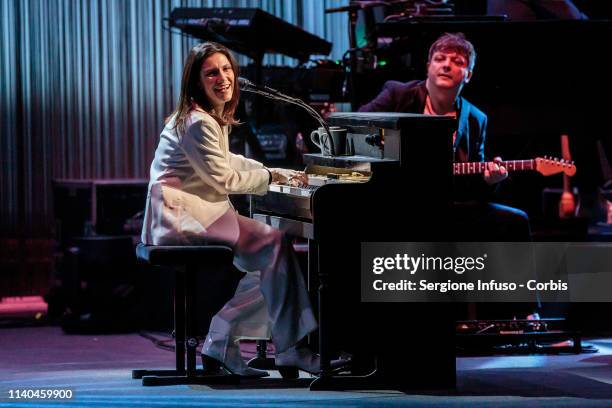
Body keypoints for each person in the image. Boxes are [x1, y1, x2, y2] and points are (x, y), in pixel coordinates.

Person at [141, 42, 319, 377]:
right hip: (181, 217)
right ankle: (287, 348)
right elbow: (224, 178)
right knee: (274, 246)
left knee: (273, 252)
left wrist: (274, 172)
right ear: (197, 82)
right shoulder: (197, 122)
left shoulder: (206, 117)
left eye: (226, 70)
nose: (223, 78)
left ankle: (225, 339)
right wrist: (269, 176)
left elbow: (227, 160)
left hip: (191, 210)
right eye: (212, 72)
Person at [359, 32, 530, 241]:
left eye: (457, 62)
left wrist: (489, 180)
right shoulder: (398, 94)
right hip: (393, 200)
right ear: (428, 67)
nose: (446, 65)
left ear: (468, 75)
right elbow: (353, 126)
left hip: (446, 206)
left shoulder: (476, 119)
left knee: (516, 222)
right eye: (440, 59)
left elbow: (472, 188)